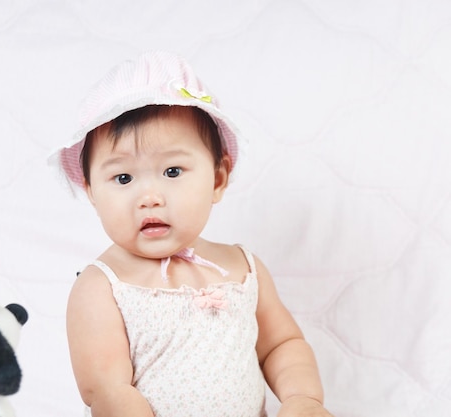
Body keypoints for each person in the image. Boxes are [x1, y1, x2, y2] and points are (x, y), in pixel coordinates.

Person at [52, 51, 333, 417]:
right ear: (91, 191)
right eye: (123, 178)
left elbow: (281, 344)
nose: (149, 198)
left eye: (172, 172)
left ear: (217, 179)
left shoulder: (243, 268)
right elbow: (106, 388)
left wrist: (302, 399)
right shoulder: (102, 286)